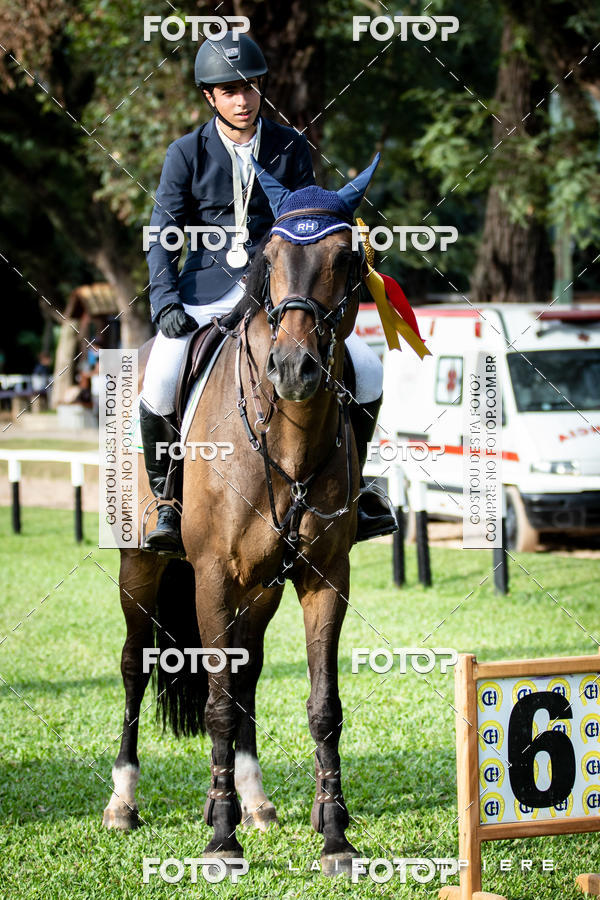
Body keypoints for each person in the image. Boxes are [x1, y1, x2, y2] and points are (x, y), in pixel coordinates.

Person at [140, 32, 395, 553]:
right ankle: (167, 500)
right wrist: (164, 301)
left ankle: (358, 487)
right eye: (229, 90)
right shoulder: (186, 153)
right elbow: (162, 233)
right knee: (160, 379)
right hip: (205, 293)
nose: (243, 99)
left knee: (368, 370)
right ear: (210, 97)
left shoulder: (290, 147)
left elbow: (312, 223)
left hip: (281, 294)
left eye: (250, 87)